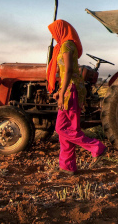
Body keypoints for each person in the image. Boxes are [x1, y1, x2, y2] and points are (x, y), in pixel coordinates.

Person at [47, 19, 106, 175]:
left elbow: (68, 71)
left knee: (61, 128)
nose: (53, 36)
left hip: (71, 91)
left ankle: (96, 147)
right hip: (70, 89)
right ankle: (67, 166)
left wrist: (62, 93)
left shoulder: (67, 45)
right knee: (68, 131)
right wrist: (60, 90)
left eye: (54, 33)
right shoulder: (67, 45)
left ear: (61, 30)